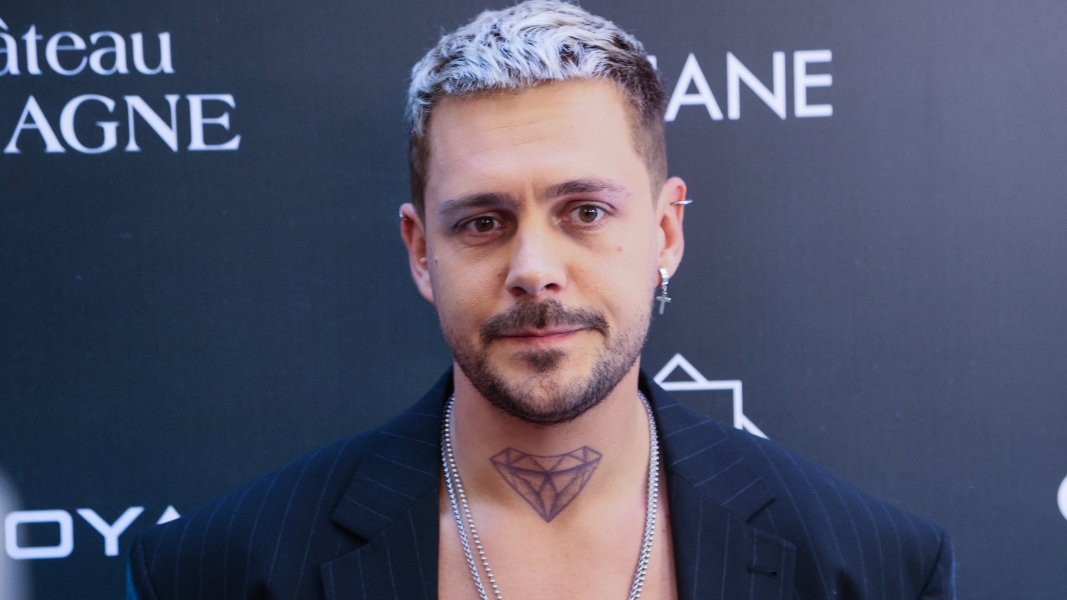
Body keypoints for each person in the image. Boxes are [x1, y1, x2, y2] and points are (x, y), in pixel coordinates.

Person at [126, 2, 955, 598]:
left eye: (584, 212)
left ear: (665, 232)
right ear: (420, 251)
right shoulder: (216, 572)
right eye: (482, 222)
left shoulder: (871, 569)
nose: (533, 270)